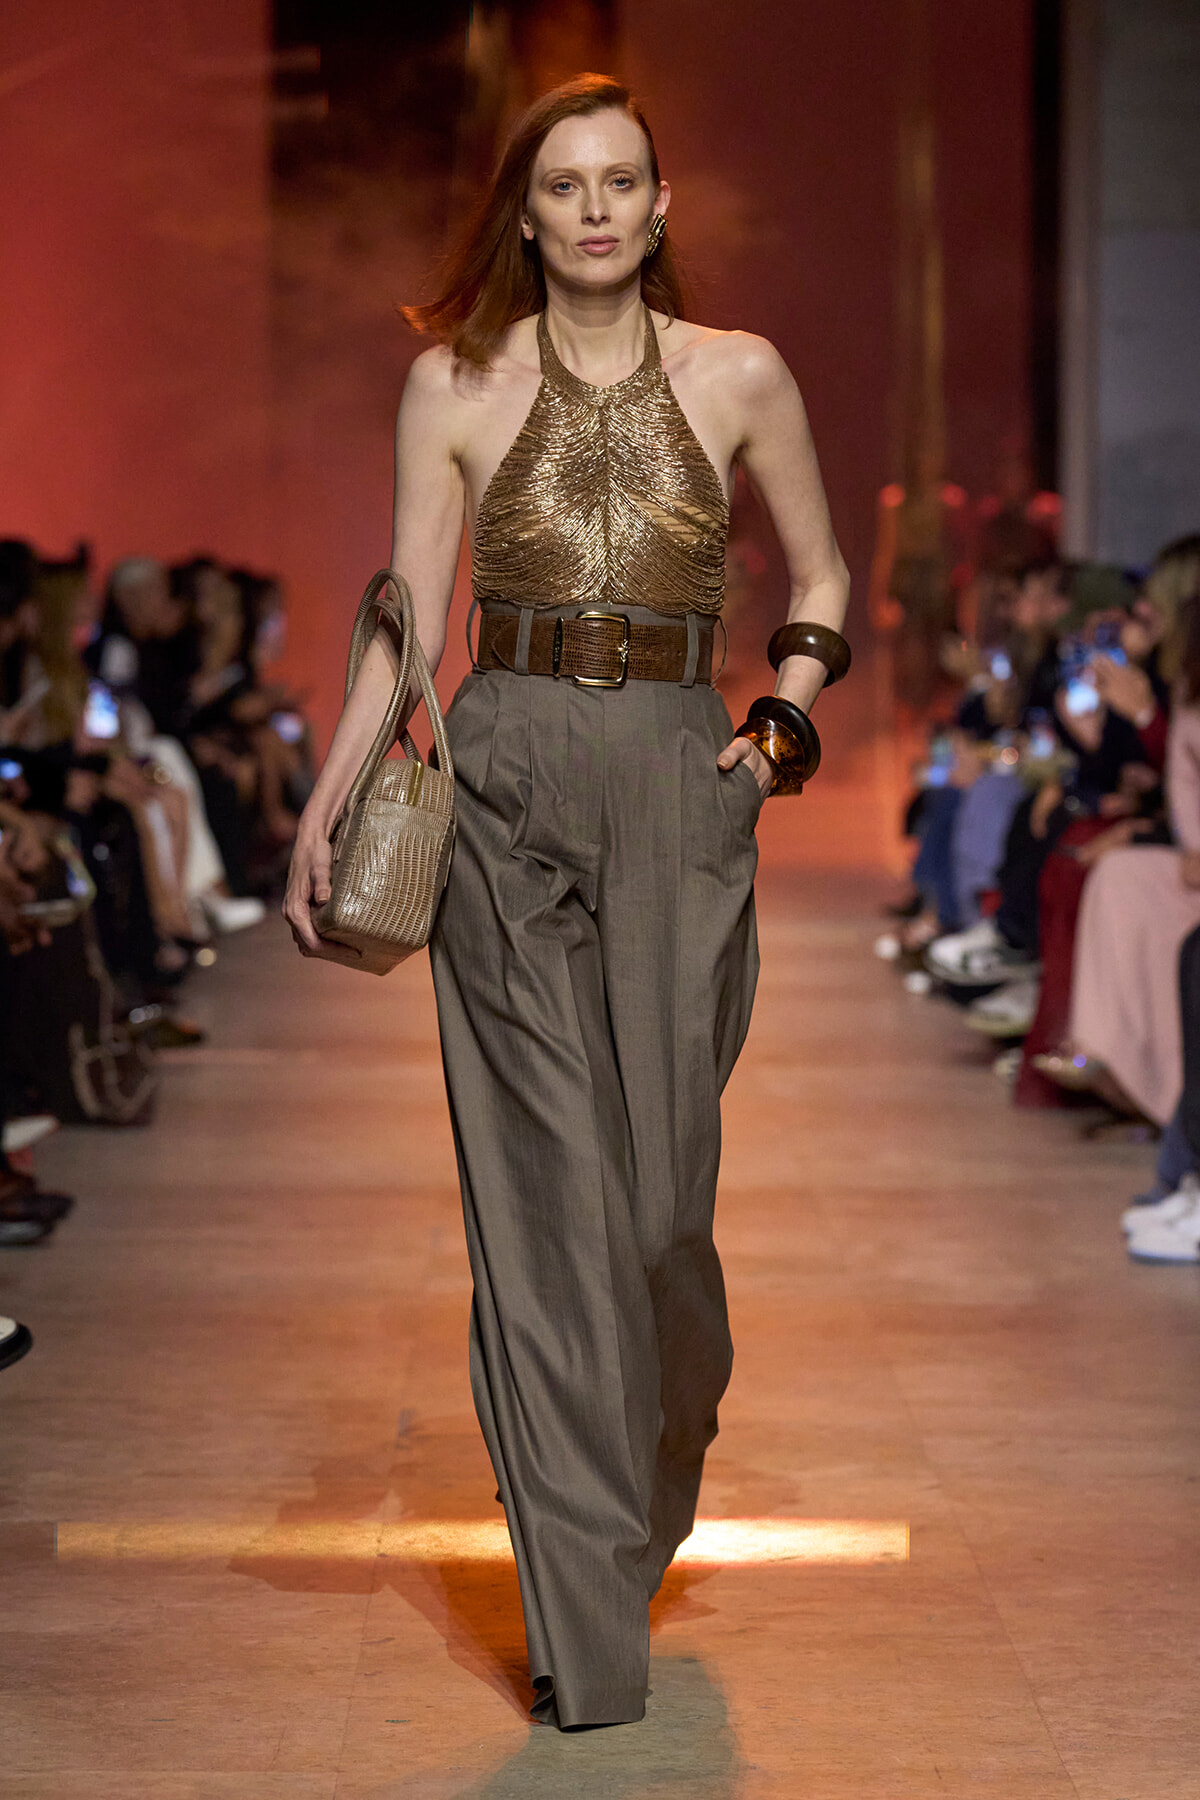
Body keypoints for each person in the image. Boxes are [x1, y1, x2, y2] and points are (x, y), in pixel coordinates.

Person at [284, 75, 849, 1729]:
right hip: (509, 779)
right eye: (564, 187)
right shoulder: (452, 383)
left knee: (663, 1210)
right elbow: (405, 614)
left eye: (622, 184)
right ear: (522, 217)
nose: (595, 210)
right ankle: (586, 1633)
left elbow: (818, 573)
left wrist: (775, 733)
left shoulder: (738, 374)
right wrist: (333, 801)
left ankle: (639, 1504)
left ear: (660, 208)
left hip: (685, 784)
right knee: (545, 1210)